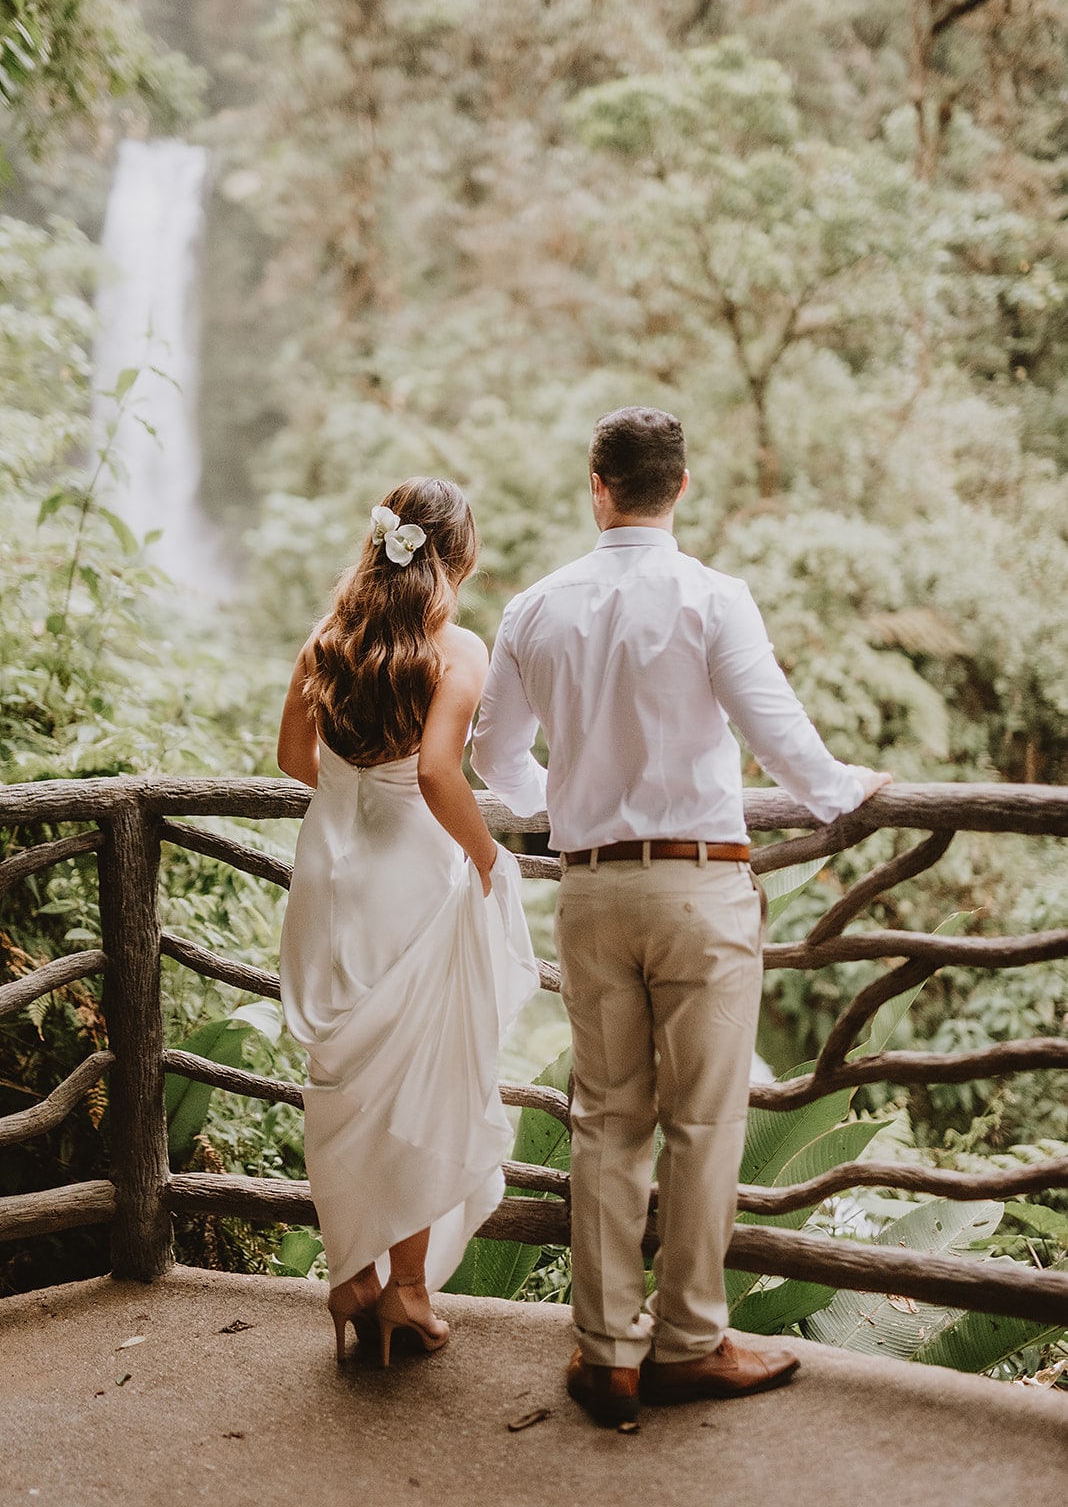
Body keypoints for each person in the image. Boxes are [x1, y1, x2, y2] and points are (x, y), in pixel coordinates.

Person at [472, 407, 892, 1426]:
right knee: (702, 1122)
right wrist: (846, 790)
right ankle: (689, 1341)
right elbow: (775, 730)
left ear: (596, 484)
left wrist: (556, 802)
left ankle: (608, 1355)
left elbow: (492, 756)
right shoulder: (715, 597)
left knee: (606, 1119)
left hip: (590, 887)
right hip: (700, 885)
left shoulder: (534, 607)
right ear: (683, 487)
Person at [277, 476, 538, 1367]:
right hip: (413, 881)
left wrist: (353, 801)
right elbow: (437, 774)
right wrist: (490, 858)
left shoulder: (328, 638)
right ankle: (409, 1291)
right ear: (457, 557)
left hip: (329, 873)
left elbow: (290, 757)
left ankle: (351, 1275)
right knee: (419, 1087)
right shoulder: (456, 649)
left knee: (339, 1081)